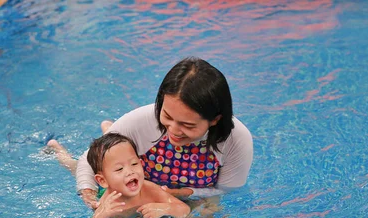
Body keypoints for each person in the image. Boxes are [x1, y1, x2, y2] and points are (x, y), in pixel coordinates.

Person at [63, 56, 253, 209]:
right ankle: (108, 132)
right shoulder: (141, 121)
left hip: (190, 198)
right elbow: (89, 160)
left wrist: (184, 194)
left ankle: (111, 129)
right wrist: (88, 195)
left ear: (214, 119)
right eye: (167, 116)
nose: (174, 130)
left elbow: (227, 191)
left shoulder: (236, 140)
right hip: (140, 192)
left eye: (187, 125)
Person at [48, 133, 190, 218]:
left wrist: (165, 208)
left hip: (111, 178)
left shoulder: (149, 189)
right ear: (103, 180)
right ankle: (57, 150)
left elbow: (184, 209)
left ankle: (108, 129)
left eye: (134, 164)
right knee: (74, 167)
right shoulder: (107, 202)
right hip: (102, 189)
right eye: (119, 169)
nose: (130, 171)